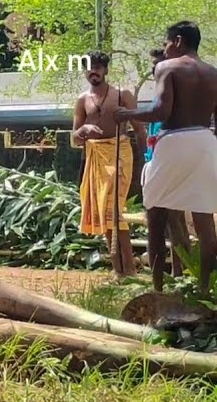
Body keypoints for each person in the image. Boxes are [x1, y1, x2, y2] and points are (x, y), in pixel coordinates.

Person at [117, 21, 217, 295]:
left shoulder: (167, 67)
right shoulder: (213, 73)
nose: (165, 49)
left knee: (156, 215)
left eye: (166, 43)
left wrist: (127, 114)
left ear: (178, 41)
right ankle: (205, 291)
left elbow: (161, 111)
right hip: (206, 142)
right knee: (204, 218)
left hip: (174, 142)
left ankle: (158, 291)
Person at [72, 51, 144, 277]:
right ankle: (118, 269)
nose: (93, 71)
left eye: (98, 67)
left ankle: (129, 269)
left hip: (119, 153)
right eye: (89, 68)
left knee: (113, 208)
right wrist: (83, 130)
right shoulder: (83, 100)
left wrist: (148, 161)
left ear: (105, 70)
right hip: (95, 157)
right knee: (104, 210)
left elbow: (140, 130)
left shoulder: (123, 95)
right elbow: (74, 138)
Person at [143, 49, 192, 279]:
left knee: (175, 222)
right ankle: (164, 276)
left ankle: (182, 274)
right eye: (154, 65)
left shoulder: (175, 97)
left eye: (159, 64)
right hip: (154, 163)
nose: (155, 69)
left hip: (171, 167)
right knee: (156, 222)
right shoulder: (158, 94)